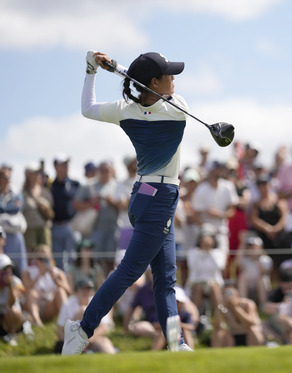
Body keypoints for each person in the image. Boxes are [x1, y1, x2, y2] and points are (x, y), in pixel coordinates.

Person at [62, 51, 194, 355]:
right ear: (154, 82)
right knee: (130, 270)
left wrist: (92, 71)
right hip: (160, 199)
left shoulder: (125, 110)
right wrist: (120, 69)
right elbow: (160, 99)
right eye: (169, 75)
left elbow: (88, 108)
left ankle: (176, 343)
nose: (174, 80)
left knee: (165, 279)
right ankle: (82, 328)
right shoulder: (178, 109)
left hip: (144, 195)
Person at [56, 278, 116, 354]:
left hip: (92, 339)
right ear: (77, 291)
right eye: (83, 289)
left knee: (105, 343)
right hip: (72, 341)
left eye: (88, 289)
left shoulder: (97, 303)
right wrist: (70, 343)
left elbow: (103, 327)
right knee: (83, 310)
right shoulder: (67, 305)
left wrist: (87, 341)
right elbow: (60, 330)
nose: (86, 292)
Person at [22, 245, 72, 326]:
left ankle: (67, 322)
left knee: (60, 291)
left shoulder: (58, 272)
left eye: (45, 259)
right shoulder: (28, 272)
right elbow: (24, 291)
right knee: (32, 292)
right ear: (35, 259)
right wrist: (39, 275)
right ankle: (37, 321)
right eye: (40, 259)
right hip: (31, 306)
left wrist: (56, 280)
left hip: (49, 308)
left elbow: (69, 292)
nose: (42, 262)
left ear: (50, 258)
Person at [185, 224, 227, 313]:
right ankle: (196, 317)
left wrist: (209, 251)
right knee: (198, 288)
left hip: (214, 282)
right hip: (196, 282)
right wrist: (201, 251)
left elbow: (220, 266)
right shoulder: (193, 252)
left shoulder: (218, 253)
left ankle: (218, 316)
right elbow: (192, 267)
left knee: (214, 288)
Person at [50, 153, 81, 272]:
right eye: (63, 164)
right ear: (56, 167)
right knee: (58, 260)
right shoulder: (50, 186)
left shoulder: (75, 184)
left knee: (72, 258)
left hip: (71, 225)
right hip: (55, 226)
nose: (66, 166)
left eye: (67, 164)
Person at [211, 283, 264, 347]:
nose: (228, 297)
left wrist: (235, 308)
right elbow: (217, 326)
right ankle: (218, 354)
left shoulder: (247, 304)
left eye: (230, 294)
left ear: (237, 294)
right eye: (225, 294)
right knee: (219, 333)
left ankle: (258, 349)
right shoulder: (223, 307)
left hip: (248, 333)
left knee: (253, 330)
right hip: (233, 335)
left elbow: (249, 323)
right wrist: (219, 311)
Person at [21, 162, 55, 256]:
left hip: (44, 228)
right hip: (29, 229)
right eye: (33, 173)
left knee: (46, 254)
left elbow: (51, 211)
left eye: (37, 173)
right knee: (31, 256)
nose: (35, 175)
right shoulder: (23, 193)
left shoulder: (45, 192)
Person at [0, 168, 28, 272]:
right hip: (1, 236)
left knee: (19, 266)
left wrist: (3, 208)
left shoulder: (16, 193)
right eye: (5, 178)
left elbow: (17, 207)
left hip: (15, 235)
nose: (8, 181)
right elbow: (11, 207)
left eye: (9, 178)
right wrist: (8, 207)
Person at [235, 234, 273, 308]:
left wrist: (257, 259)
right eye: (249, 247)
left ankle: (263, 305)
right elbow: (237, 263)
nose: (251, 249)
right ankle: (243, 304)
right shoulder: (245, 259)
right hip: (248, 287)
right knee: (242, 277)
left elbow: (265, 271)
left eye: (254, 246)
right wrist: (242, 244)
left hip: (262, 287)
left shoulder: (265, 259)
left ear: (260, 247)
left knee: (261, 279)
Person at [0, 253, 25, 346]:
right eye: (4, 269)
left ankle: (12, 335)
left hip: (12, 319)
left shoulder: (16, 282)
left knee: (12, 311)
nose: (8, 272)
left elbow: (11, 304)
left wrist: (10, 286)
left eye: (9, 268)